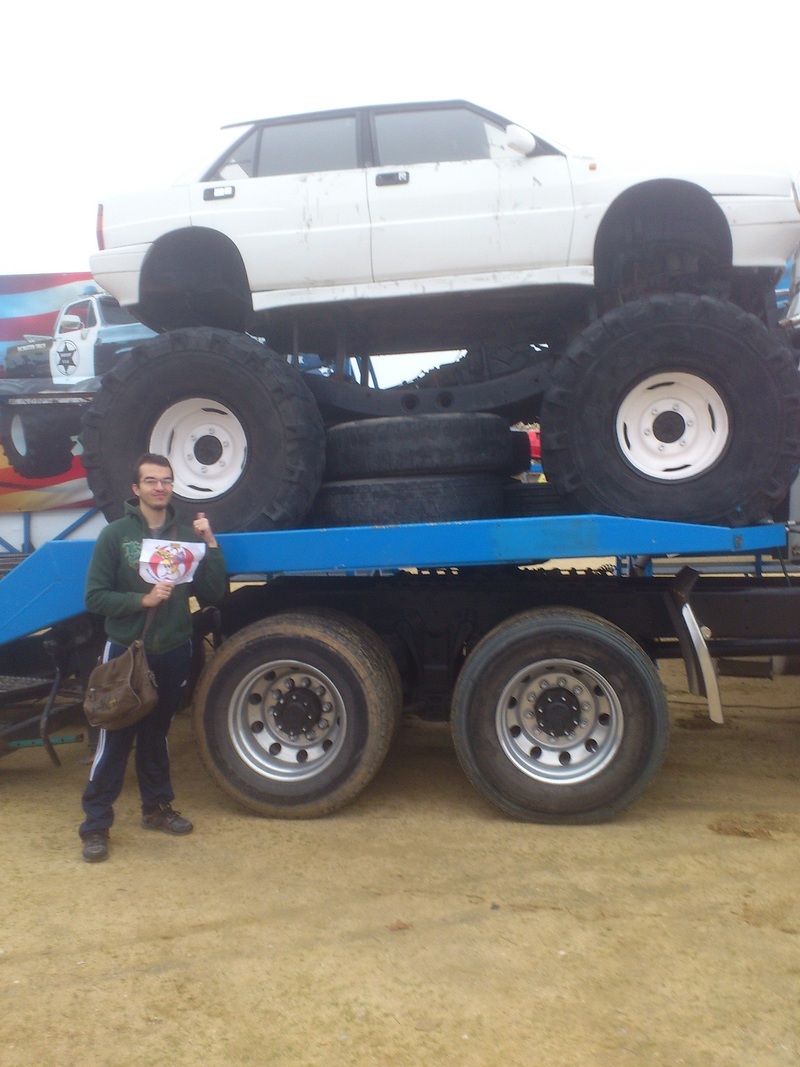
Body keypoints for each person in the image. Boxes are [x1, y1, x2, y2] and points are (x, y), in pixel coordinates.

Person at [79, 453, 227, 863]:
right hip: (128, 652)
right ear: (136, 488)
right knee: (115, 738)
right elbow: (94, 596)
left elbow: (214, 591)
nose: (159, 487)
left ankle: (157, 809)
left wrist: (210, 542)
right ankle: (95, 826)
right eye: (151, 481)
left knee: (156, 736)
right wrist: (141, 599)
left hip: (174, 650)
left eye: (165, 480)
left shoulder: (185, 534)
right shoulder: (116, 536)